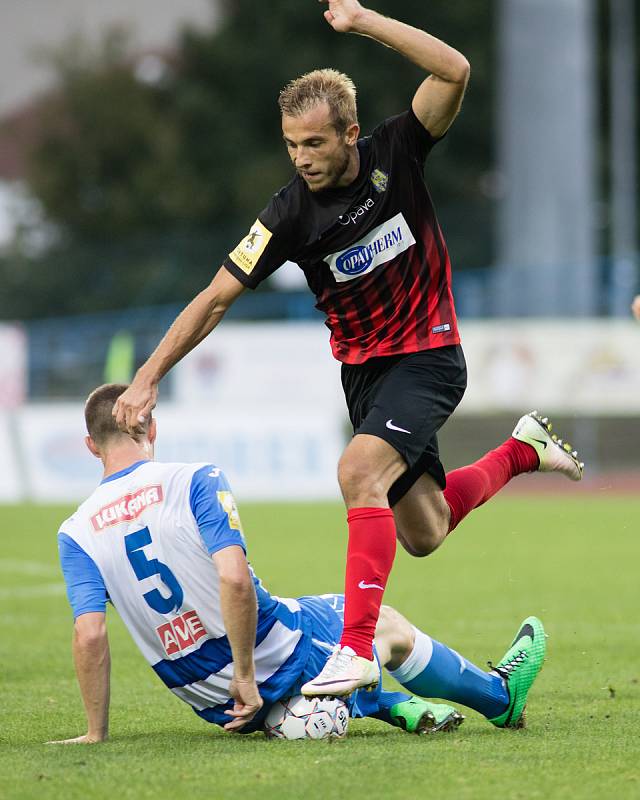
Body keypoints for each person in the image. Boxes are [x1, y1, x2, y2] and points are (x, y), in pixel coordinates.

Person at [113, 0, 581, 696]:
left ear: (351, 133)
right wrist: (147, 375)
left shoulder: (398, 149)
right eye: (291, 144)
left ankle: (357, 649)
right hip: (364, 375)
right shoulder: (287, 215)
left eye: (315, 144)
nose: (302, 158)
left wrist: (363, 22)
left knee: (358, 471)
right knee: (426, 530)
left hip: (428, 356)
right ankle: (522, 449)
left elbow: (455, 68)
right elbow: (215, 297)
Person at [51, 384, 547, 743]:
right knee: (381, 623)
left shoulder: (76, 532)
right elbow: (235, 581)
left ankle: (379, 706)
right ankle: (498, 699)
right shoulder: (194, 479)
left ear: (91, 445)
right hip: (267, 659)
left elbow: (89, 634)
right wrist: (245, 674)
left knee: (320, 636)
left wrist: (96, 732)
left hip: (206, 697)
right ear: (151, 426)